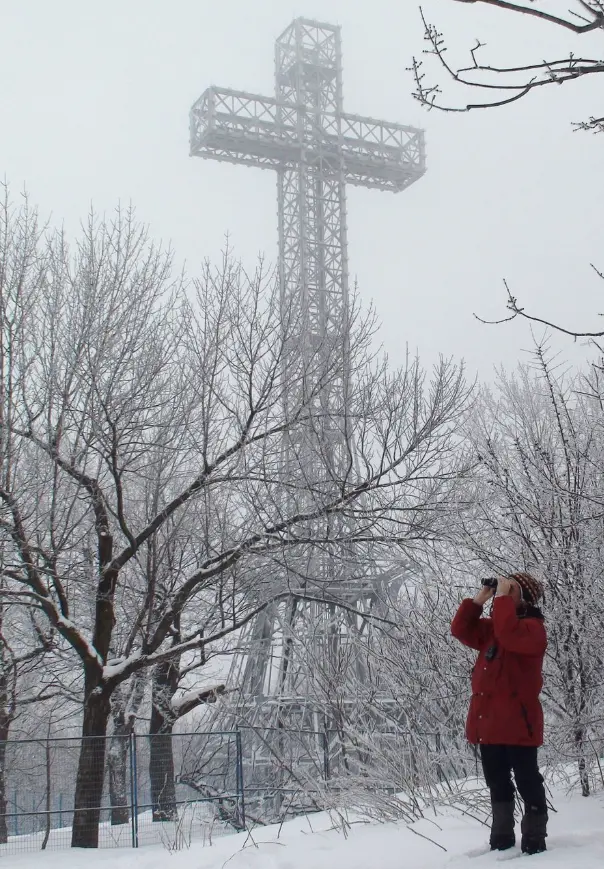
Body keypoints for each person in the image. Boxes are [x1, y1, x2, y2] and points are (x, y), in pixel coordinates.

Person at [451, 572, 548, 855]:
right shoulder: (495, 628)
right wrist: (480, 600)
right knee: (496, 780)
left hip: (519, 723)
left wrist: (503, 600)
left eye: (512, 589)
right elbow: (460, 629)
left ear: (524, 597)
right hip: (489, 722)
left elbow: (509, 634)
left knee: (527, 779)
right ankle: (502, 836)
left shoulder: (533, 629)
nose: (503, 592)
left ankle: (534, 837)